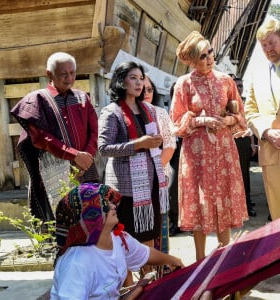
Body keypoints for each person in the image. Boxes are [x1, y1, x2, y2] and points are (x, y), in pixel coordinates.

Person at [170, 31, 248, 261]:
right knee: (200, 200)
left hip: (223, 148)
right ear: (193, 60)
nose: (209, 58)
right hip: (198, 153)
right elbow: (176, 121)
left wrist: (227, 120)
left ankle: (224, 259)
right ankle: (200, 260)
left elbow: (240, 114)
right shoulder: (184, 84)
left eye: (210, 52)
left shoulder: (226, 80)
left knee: (223, 196)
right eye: (202, 55)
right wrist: (201, 120)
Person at [50, 182, 185, 300]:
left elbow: (146, 254)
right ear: (90, 216)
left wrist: (173, 260)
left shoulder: (118, 239)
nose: (113, 206)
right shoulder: (77, 263)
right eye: (105, 204)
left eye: (111, 201)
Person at [98, 61, 168, 285]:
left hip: (150, 186)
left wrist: (154, 142)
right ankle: (129, 289)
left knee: (148, 240)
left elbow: (152, 145)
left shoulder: (148, 110)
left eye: (141, 78)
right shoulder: (112, 112)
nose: (139, 83)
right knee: (125, 243)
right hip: (125, 191)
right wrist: (138, 144)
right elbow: (104, 149)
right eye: (133, 78)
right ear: (121, 81)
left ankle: (149, 287)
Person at [11, 52, 99, 221]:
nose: (69, 77)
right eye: (63, 74)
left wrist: (86, 156)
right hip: (53, 168)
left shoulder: (82, 97)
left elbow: (94, 130)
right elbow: (41, 137)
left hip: (86, 166)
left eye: (72, 72)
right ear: (49, 74)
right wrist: (74, 155)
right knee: (60, 220)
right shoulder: (38, 99)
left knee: (90, 217)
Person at [244, 19, 280, 221]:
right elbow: (250, 111)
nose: (268, 49)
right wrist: (266, 132)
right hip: (272, 155)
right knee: (277, 217)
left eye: (271, 43)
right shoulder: (256, 75)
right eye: (263, 45)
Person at [143, 75, 176, 253]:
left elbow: (170, 146)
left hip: (159, 176)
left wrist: (153, 172)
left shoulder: (160, 112)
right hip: (134, 180)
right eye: (143, 89)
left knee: (160, 221)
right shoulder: (124, 112)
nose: (147, 93)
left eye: (150, 89)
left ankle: (162, 269)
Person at [230, 76, 257, 217]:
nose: (239, 88)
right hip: (229, 141)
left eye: (240, 86)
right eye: (236, 85)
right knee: (230, 177)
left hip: (244, 141)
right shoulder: (225, 101)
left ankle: (246, 205)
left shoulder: (247, 103)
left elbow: (250, 124)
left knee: (244, 175)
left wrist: (252, 143)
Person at [167, 82, 183, 236]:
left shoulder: (187, 110)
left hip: (185, 154)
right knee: (172, 189)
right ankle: (174, 221)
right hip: (169, 155)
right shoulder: (165, 112)